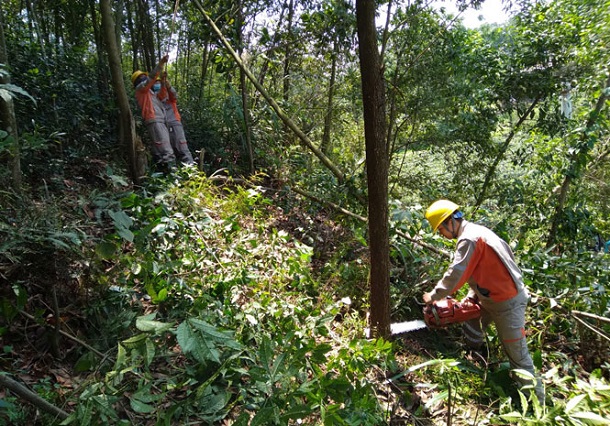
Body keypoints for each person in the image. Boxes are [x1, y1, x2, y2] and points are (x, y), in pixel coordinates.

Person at [423, 199, 544, 403]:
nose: (441, 234)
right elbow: (483, 268)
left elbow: (456, 273)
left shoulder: (469, 239)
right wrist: (473, 295)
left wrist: (434, 295)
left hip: (507, 302)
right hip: (490, 296)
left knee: (517, 356)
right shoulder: (477, 232)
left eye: (440, 230)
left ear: (450, 222)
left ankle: (537, 404)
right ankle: (475, 355)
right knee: (470, 319)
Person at [131, 55, 176, 172]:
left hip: (160, 120)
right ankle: (173, 178)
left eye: (144, 76)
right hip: (154, 120)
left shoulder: (150, 92)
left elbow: (162, 96)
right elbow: (150, 79)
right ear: (137, 81)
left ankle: (162, 176)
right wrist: (161, 64)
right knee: (166, 151)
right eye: (141, 77)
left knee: (159, 150)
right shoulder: (141, 89)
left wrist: (163, 82)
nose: (144, 78)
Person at [156, 72, 195, 165]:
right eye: (156, 83)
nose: (157, 85)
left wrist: (167, 85)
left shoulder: (170, 98)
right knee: (168, 152)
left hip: (175, 125)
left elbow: (173, 94)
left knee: (182, 149)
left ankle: (192, 172)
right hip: (164, 127)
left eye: (159, 83)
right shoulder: (155, 100)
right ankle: (174, 174)